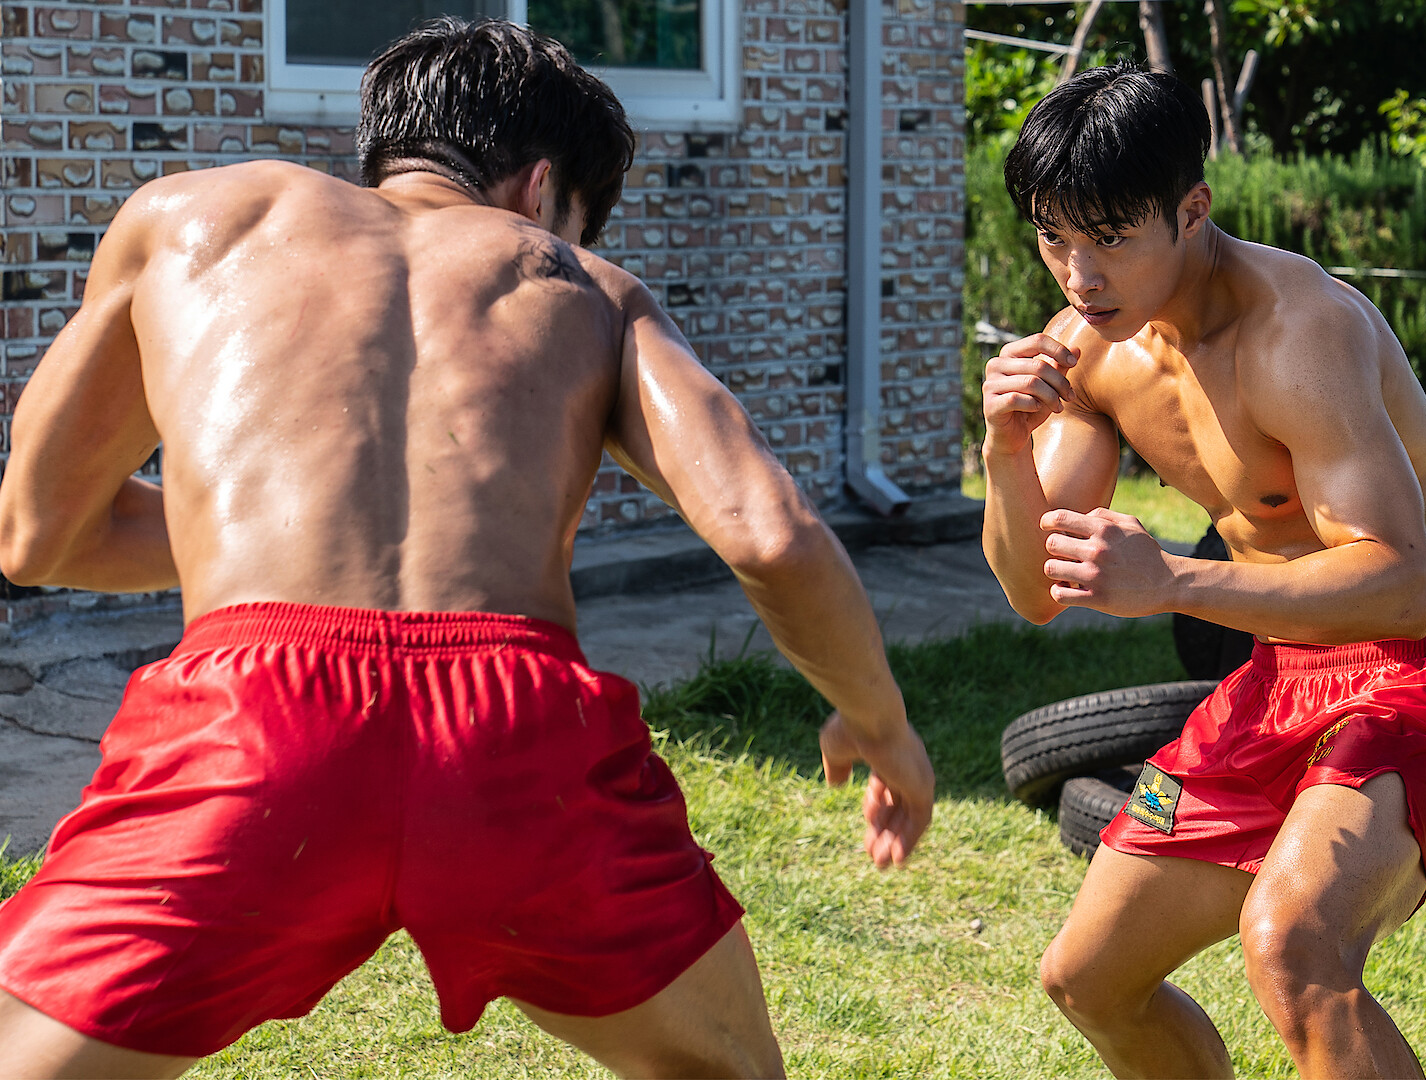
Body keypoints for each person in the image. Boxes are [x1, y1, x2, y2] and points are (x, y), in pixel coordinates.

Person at [0, 18, 933, 1079]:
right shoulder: (582, 285)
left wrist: (264, 537)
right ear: (540, 190)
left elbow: (36, 533)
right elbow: (771, 533)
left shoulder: (185, 221)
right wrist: (882, 724)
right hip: (514, 732)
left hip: (251, 734)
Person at [980, 61, 1426, 1079]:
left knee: (1292, 944)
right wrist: (1001, 452)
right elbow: (1029, 591)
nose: (1076, 273)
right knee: (1086, 979)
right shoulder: (1085, 352)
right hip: (1278, 681)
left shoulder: (1297, 331)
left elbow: (1402, 591)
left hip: (1422, 679)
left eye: (1107, 239)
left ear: (1191, 211)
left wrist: (1176, 585)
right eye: (1053, 237)